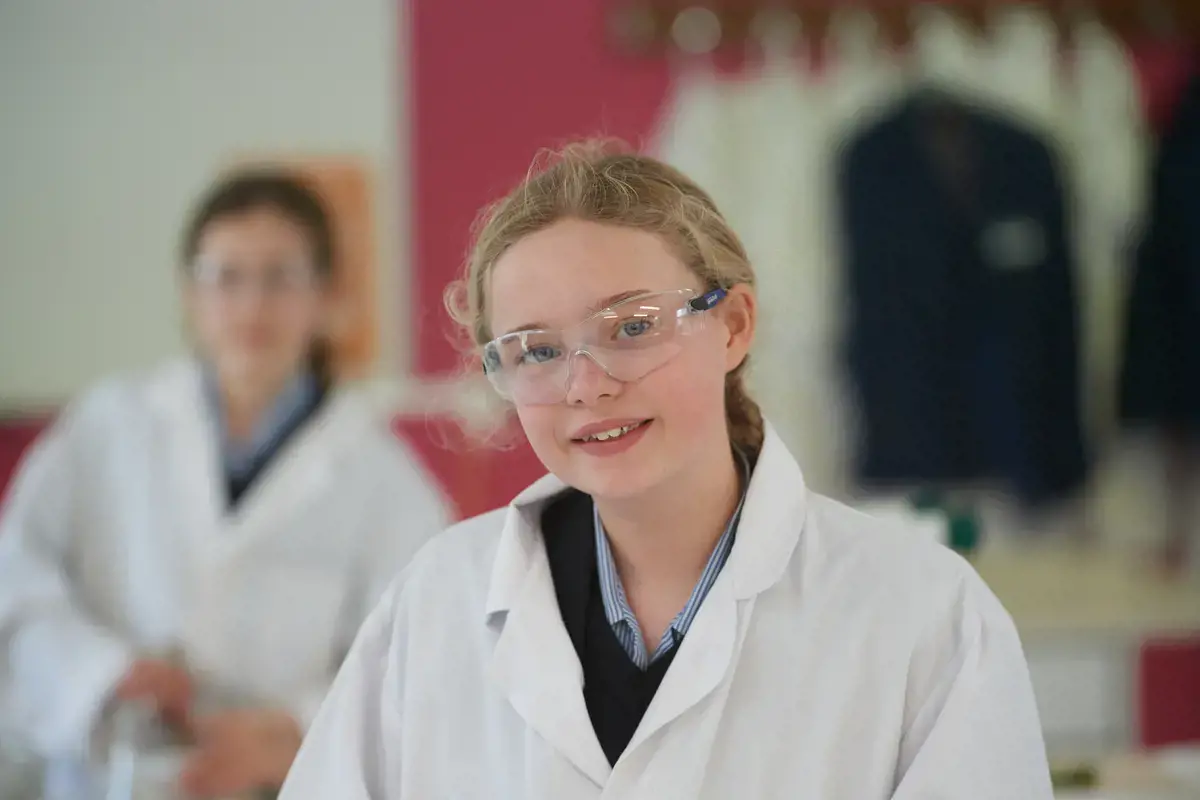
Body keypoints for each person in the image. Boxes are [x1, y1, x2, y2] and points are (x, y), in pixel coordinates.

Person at [278, 141, 1053, 799]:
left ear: (734, 326)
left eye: (634, 326)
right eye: (537, 350)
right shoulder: (438, 600)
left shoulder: (924, 613)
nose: (587, 383)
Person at [0, 170, 452, 798]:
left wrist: (294, 729)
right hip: (105, 775)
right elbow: (15, 584)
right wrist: (99, 675)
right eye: (226, 276)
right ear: (189, 292)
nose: (251, 306)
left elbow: (425, 654)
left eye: (280, 277)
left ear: (325, 296)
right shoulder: (105, 429)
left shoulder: (387, 481)